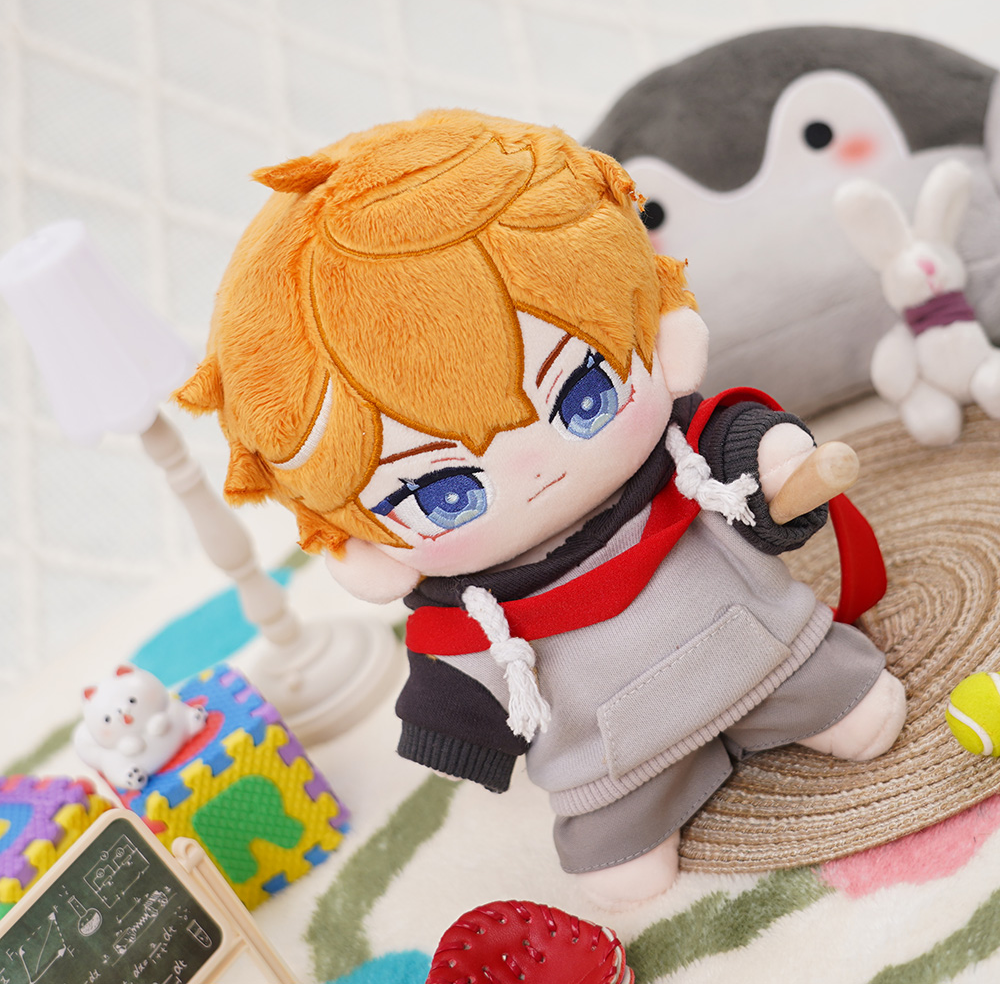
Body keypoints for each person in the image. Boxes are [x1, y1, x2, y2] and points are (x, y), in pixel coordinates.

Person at [176, 109, 905, 906]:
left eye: (585, 392)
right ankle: (635, 820)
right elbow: (460, 677)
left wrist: (775, 460)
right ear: (366, 551)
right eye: (445, 490)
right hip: (612, 763)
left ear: (664, 338)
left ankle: (823, 698)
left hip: (770, 657)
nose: (534, 468)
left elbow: (733, 448)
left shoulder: (680, 459)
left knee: (849, 700)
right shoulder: (476, 614)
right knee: (615, 850)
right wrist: (457, 727)